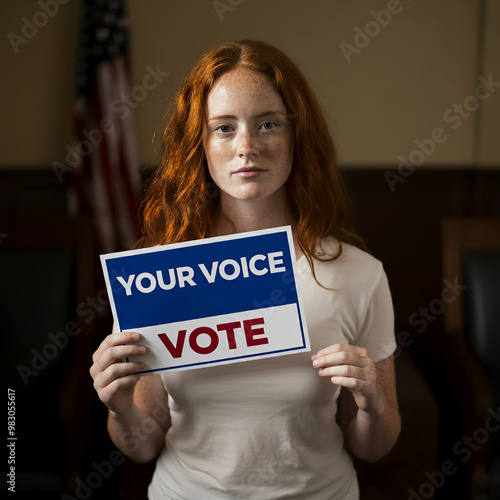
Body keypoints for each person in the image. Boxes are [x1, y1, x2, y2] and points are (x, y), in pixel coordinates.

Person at [90, 39, 401, 499]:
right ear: (200, 143)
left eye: (268, 124)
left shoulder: (361, 274)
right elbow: (143, 445)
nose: (247, 147)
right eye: (224, 128)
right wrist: (119, 409)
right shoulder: (157, 278)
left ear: (297, 136)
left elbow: (374, 448)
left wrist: (373, 405)